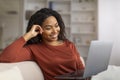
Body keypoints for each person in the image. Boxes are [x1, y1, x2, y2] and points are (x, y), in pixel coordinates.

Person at [0, 8, 89, 80]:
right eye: (48, 28)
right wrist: (28, 35)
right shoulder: (34, 49)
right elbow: (5, 57)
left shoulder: (68, 44)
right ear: (39, 30)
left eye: (56, 25)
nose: (55, 31)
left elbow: (81, 68)